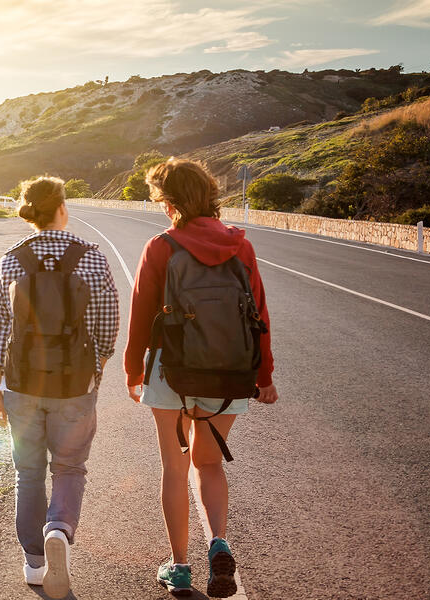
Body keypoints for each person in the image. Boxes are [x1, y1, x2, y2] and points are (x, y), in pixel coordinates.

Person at [122, 158, 277, 597]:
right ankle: (219, 543)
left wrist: (133, 371)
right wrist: (264, 376)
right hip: (229, 375)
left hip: (172, 372)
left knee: (174, 467)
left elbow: (140, 318)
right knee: (208, 464)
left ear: (169, 202)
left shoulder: (162, 246)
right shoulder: (240, 247)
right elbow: (259, 315)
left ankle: (181, 567)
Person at [0, 175, 119, 596]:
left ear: (30, 213)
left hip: (22, 384)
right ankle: (58, 528)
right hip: (74, 383)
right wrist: (95, 369)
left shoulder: (11, 261)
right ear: (62, 208)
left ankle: (33, 561)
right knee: (70, 466)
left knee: (28, 472)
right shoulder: (93, 259)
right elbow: (107, 325)